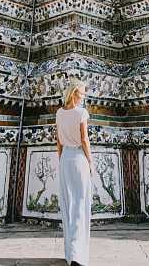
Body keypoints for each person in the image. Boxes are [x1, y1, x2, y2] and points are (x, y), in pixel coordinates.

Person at [56, 80, 92, 266]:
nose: (83, 97)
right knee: (79, 203)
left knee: (68, 204)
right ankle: (77, 255)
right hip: (79, 158)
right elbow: (84, 140)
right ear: (74, 94)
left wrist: (61, 159)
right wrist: (90, 162)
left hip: (65, 159)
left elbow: (58, 141)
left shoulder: (59, 113)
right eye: (82, 93)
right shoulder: (81, 113)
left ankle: (70, 253)